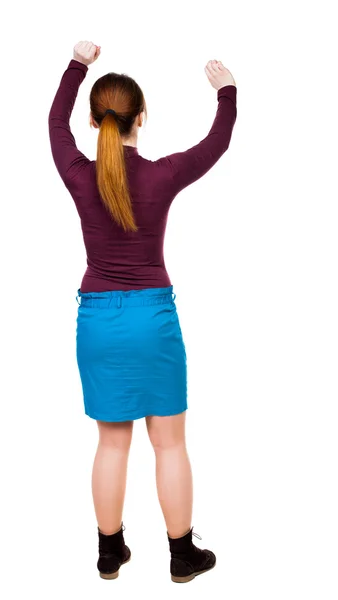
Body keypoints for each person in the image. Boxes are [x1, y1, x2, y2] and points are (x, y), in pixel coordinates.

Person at [48, 40, 237, 583]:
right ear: (141, 118)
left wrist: (76, 64)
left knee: (111, 442)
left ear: (94, 120)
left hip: (98, 323)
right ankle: (182, 555)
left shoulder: (79, 175)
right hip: (153, 322)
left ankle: (110, 553)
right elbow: (216, 144)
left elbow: (54, 123)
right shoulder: (162, 175)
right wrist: (226, 91)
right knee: (170, 441)